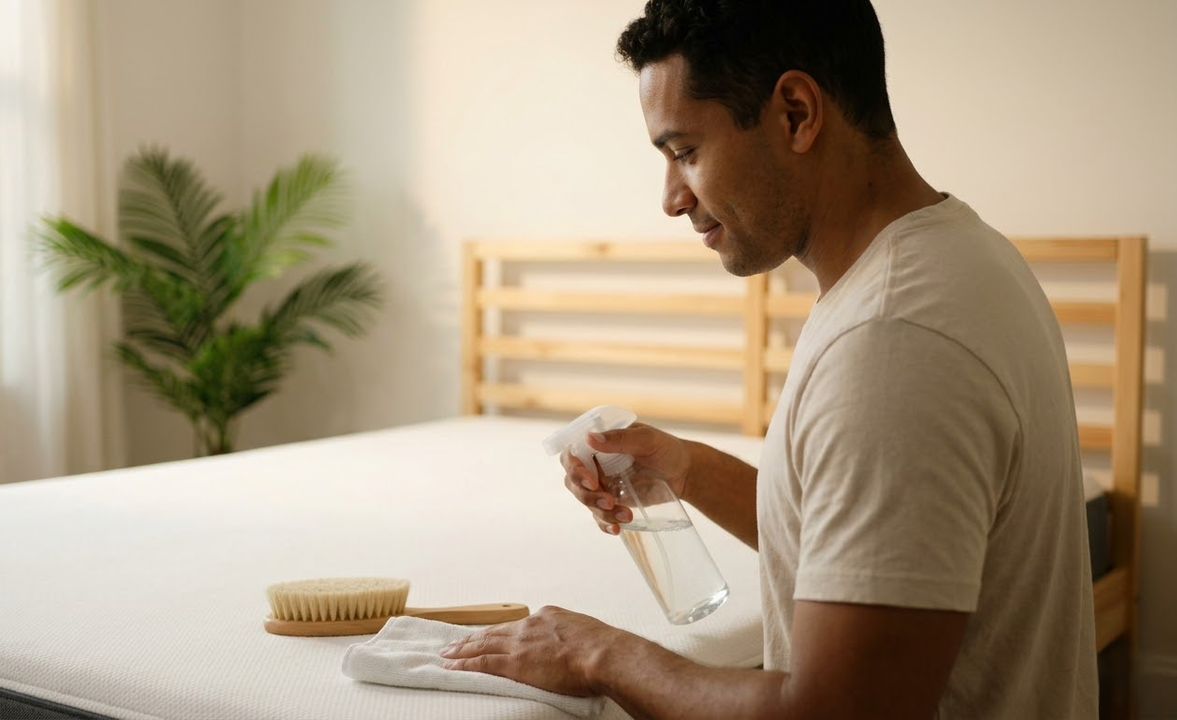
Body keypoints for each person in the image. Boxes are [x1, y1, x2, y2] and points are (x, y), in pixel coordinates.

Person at [440, 1, 1098, 717]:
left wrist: (598, 655)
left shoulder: (892, 338)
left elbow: (836, 710)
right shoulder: (955, 259)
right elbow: (873, 548)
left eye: (685, 151)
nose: (670, 197)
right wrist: (685, 467)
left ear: (794, 113)